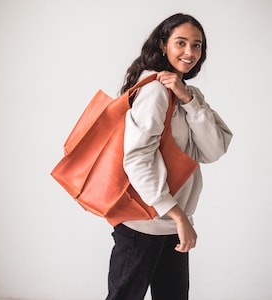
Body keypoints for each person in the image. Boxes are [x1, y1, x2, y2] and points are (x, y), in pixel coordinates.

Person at [105, 13, 233, 300]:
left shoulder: (186, 93)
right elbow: (136, 159)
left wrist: (188, 99)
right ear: (163, 45)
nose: (190, 52)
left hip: (171, 222)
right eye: (181, 43)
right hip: (145, 222)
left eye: (197, 45)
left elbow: (214, 149)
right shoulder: (154, 90)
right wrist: (177, 215)